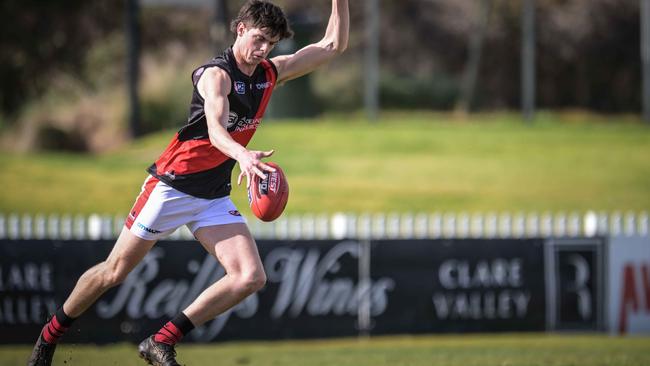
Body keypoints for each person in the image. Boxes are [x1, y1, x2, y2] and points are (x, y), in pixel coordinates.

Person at [27, 1, 349, 365]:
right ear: (240, 28)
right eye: (259, 39)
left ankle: (161, 341)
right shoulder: (217, 75)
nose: (263, 50)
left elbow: (332, 46)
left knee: (250, 276)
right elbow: (215, 129)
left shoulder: (269, 73)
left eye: (271, 44)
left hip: (210, 196)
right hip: (172, 186)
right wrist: (242, 155)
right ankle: (49, 336)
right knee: (114, 271)